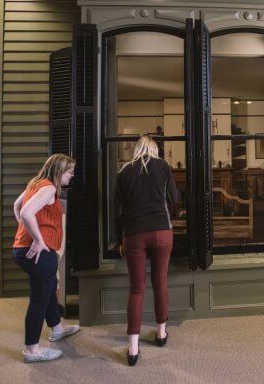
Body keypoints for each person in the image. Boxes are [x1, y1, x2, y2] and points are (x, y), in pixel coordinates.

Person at [115, 135, 179, 366]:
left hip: (134, 233)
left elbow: (118, 209)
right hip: (162, 231)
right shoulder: (163, 166)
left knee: (136, 289)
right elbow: (175, 198)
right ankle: (161, 334)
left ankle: (133, 348)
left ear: (136, 149)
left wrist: (119, 239)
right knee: (160, 281)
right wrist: (171, 216)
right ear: (154, 149)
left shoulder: (124, 172)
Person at [12, 154, 80, 363]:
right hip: (38, 252)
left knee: (49, 289)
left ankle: (57, 329)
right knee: (38, 300)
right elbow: (25, 212)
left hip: (25, 250)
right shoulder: (49, 187)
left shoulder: (35, 183)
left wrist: (30, 233)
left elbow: (17, 206)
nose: (72, 175)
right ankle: (32, 350)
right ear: (59, 171)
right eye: (70, 172)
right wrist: (38, 239)